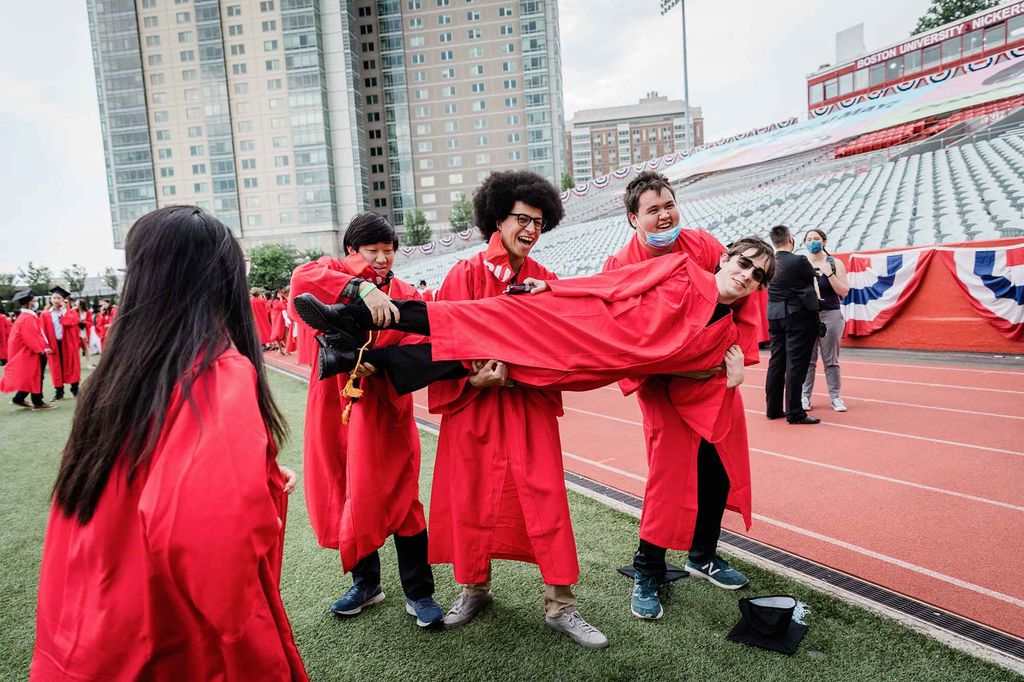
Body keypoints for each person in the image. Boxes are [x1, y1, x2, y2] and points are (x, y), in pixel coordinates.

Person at [29, 205, 307, 681]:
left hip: (90, 614)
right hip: (165, 632)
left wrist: (260, 474)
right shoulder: (215, 372)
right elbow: (211, 535)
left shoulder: (118, 374)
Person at [297, 238, 774, 394]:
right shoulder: (679, 266)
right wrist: (554, 287)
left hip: (589, 366)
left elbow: (678, 371)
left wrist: (725, 377)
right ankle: (360, 319)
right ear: (725, 259)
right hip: (577, 322)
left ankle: (352, 343)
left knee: (476, 355)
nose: (746, 274)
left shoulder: (724, 334)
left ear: (759, 287)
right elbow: (613, 285)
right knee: (480, 320)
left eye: (757, 274)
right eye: (743, 262)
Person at [603, 171, 764, 620]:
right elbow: (618, 330)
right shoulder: (621, 264)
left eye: (669, 204)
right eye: (652, 209)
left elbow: (743, 293)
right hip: (662, 384)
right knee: (670, 478)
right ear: (633, 218)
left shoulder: (704, 245)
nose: (663, 214)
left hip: (713, 378)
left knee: (717, 470)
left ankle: (702, 554)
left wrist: (739, 359)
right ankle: (648, 568)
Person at [288, 213, 444, 628]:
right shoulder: (330, 272)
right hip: (335, 407)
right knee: (348, 491)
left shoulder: (408, 293)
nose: (380, 259)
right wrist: (360, 287)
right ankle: (367, 583)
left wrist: (380, 364)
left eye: (388, 252)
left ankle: (419, 590)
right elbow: (301, 281)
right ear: (351, 252)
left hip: (384, 407)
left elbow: (423, 348)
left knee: (402, 497)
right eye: (371, 251)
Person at [765, 224, 821, 425]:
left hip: (774, 315)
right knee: (796, 364)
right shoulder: (799, 260)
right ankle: (795, 412)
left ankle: (773, 408)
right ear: (790, 238)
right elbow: (810, 279)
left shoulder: (768, 262)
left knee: (776, 362)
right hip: (797, 316)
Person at [801, 228, 850, 413]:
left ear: (824, 241)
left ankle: (835, 397)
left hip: (831, 314)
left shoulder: (835, 262)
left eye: (816, 238)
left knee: (831, 360)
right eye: (809, 239)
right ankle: (804, 396)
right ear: (804, 243)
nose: (813, 242)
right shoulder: (801, 263)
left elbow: (844, 292)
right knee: (808, 360)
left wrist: (829, 273)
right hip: (807, 316)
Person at [1, 290, 55, 410]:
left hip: (28, 351)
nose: (35, 302)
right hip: (30, 352)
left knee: (32, 376)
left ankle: (19, 398)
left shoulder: (24, 316)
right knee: (36, 376)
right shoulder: (27, 318)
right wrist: (41, 349)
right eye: (34, 300)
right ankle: (37, 401)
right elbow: (30, 336)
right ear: (29, 303)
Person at [38, 286, 81, 401]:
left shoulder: (71, 312)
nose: (56, 300)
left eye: (59, 298)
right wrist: (46, 346)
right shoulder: (45, 314)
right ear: (51, 300)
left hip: (68, 344)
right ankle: (59, 392)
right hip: (53, 344)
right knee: (56, 368)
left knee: (72, 366)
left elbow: (68, 323)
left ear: (64, 300)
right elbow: (42, 331)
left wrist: (63, 311)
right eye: (54, 298)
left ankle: (75, 390)